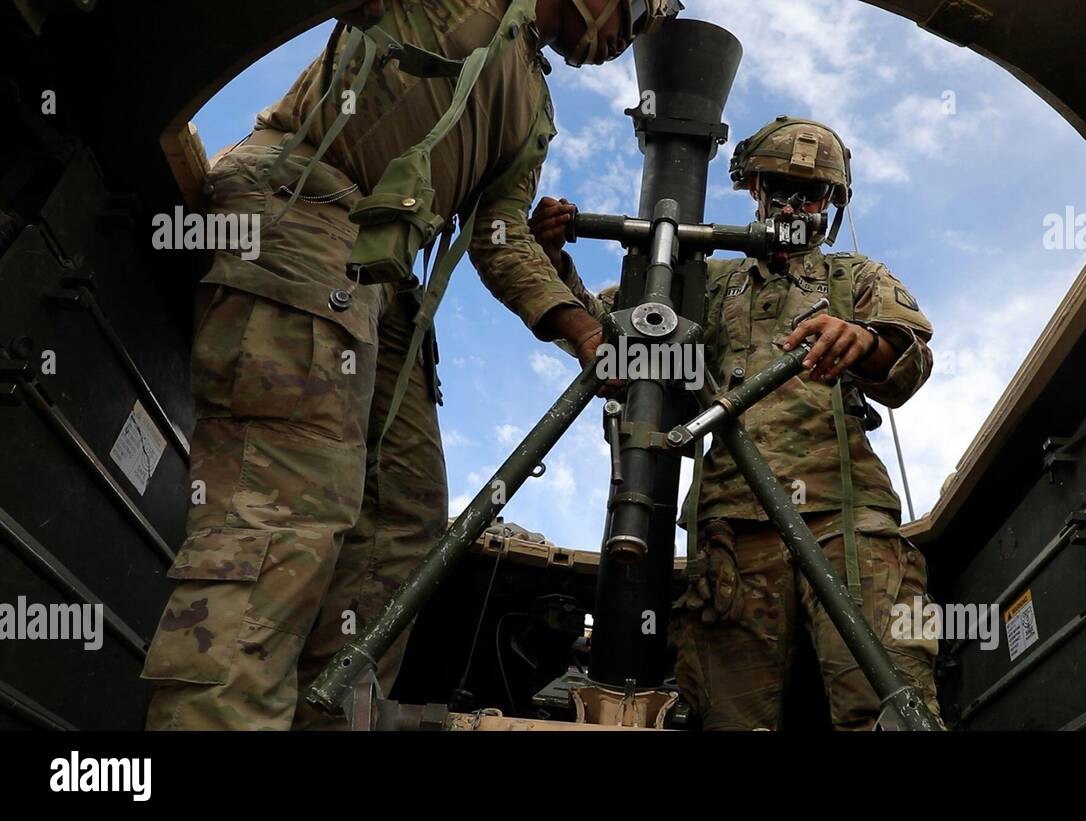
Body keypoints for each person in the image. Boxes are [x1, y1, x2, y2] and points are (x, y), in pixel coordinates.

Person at [141, 0, 680, 730]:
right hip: (306, 204)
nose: (628, 37)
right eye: (637, 13)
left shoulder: (534, 105)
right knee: (284, 506)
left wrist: (582, 329)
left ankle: (322, 716)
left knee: (403, 517)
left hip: (382, 287)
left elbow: (498, 235)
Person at [528, 115, 942, 730]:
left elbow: (909, 363)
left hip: (846, 520)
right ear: (754, 190)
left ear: (832, 202)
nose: (794, 203)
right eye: (779, 186)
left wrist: (862, 341)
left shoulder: (857, 277)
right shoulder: (710, 281)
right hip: (731, 534)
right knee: (729, 717)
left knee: (890, 701)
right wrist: (553, 261)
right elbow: (613, 338)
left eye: (812, 192)